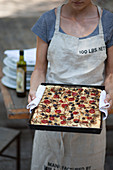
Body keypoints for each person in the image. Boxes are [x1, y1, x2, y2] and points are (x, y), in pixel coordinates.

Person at [28, 0, 113, 169]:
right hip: (51, 113)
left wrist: (110, 92)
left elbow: (111, 73)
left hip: (90, 115)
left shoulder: (108, 22)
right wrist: (34, 90)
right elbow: (39, 69)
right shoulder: (47, 21)